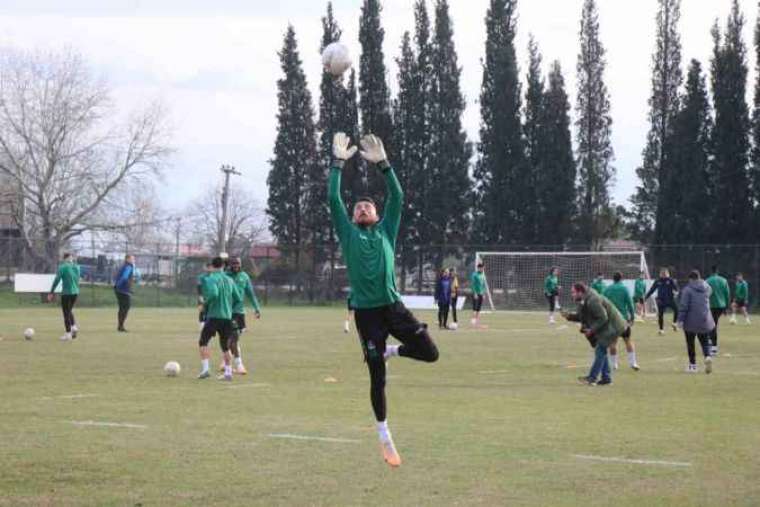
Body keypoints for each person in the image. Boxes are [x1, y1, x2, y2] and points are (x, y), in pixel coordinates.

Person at [328, 132, 439, 468]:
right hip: (366, 314)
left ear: (376, 214)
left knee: (430, 353)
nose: (362, 208)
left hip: (393, 308)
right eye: (358, 207)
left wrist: (384, 164)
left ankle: (394, 350)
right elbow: (333, 198)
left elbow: (398, 196)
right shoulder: (348, 233)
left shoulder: (387, 229)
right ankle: (384, 435)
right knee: (377, 378)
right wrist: (338, 164)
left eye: (368, 206)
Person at [562, 282, 626, 386]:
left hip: (614, 326)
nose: (572, 295)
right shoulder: (584, 300)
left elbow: (603, 317)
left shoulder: (592, 300)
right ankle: (606, 379)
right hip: (608, 326)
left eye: (573, 292)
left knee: (600, 349)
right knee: (601, 350)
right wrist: (569, 316)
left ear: (580, 292)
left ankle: (592, 378)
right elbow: (582, 316)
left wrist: (591, 330)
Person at [197, 256, 242, 381]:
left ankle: (205, 370)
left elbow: (214, 293)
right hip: (227, 317)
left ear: (212, 266)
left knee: (203, 342)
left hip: (214, 316)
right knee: (225, 346)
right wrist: (228, 307)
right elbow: (238, 298)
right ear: (223, 266)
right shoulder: (230, 280)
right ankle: (228, 373)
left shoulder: (211, 278)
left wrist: (205, 304)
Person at [224, 256, 261, 375]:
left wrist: (257, 308)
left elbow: (251, 294)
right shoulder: (225, 276)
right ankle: (239, 365)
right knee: (233, 338)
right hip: (227, 312)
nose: (236, 266)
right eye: (234, 263)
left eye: (238, 263)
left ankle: (227, 359)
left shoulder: (244, 276)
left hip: (240, 313)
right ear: (230, 264)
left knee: (233, 339)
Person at [677, 270, 715, 374]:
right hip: (704, 319)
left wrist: (680, 320)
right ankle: (707, 356)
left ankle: (693, 366)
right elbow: (710, 292)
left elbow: (684, 306)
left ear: (690, 279)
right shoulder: (706, 287)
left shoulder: (687, 290)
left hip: (690, 321)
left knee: (690, 343)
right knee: (705, 341)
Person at [603, 272, 640, 371]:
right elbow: (630, 304)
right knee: (628, 340)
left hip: (611, 320)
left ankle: (614, 364)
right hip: (623, 319)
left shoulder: (607, 289)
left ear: (613, 279)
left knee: (613, 343)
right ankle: (633, 363)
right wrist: (632, 316)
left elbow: (602, 303)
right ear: (621, 279)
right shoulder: (624, 289)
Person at [48, 253, 81, 340]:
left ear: (64, 258)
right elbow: (78, 279)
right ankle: (73, 326)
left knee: (66, 313)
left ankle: (68, 334)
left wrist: (51, 292)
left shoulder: (62, 267)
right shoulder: (77, 267)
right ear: (71, 258)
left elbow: (57, 279)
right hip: (75, 293)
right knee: (69, 310)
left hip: (66, 293)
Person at [645, 268, 680, 335]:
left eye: (665, 274)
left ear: (668, 274)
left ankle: (674, 323)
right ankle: (661, 330)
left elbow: (676, 289)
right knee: (660, 315)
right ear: (660, 274)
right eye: (662, 273)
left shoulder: (671, 280)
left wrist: (676, 292)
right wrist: (646, 297)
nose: (663, 275)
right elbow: (652, 290)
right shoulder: (658, 281)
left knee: (677, 310)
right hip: (661, 300)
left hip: (670, 299)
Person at [705, 266, 730, 356]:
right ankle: (710, 340)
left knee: (712, 325)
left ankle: (714, 347)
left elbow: (704, 294)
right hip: (721, 306)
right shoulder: (724, 280)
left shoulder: (707, 281)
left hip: (711, 306)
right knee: (712, 324)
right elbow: (727, 294)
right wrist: (727, 307)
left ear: (711, 272)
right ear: (717, 271)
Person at [114, 254, 138, 332]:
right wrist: (126, 286)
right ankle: (121, 326)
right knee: (126, 307)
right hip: (123, 290)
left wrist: (117, 286)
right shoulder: (129, 266)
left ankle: (120, 326)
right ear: (127, 259)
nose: (133, 260)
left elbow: (119, 276)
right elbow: (124, 277)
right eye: (132, 259)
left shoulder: (123, 266)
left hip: (119, 289)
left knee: (121, 308)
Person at [196, 262, 212, 331]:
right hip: (203, 297)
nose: (209, 269)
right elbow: (199, 286)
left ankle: (208, 325)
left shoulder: (214, 276)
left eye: (210, 267)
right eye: (207, 267)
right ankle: (202, 325)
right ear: (204, 268)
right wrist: (200, 296)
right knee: (202, 311)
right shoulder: (201, 277)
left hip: (211, 297)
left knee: (210, 312)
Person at [470, 263, 486, 327]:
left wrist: (484, 293)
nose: (483, 269)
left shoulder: (483, 275)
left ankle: (477, 323)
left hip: (481, 294)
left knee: (479, 309)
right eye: (482, 268)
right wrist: (475, 293)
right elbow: (472, 284)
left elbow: (483, 285)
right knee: (475, 308)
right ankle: (473, 322)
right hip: (476, 294)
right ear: (479, 268)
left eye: (483, 268)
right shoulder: (474, 274)